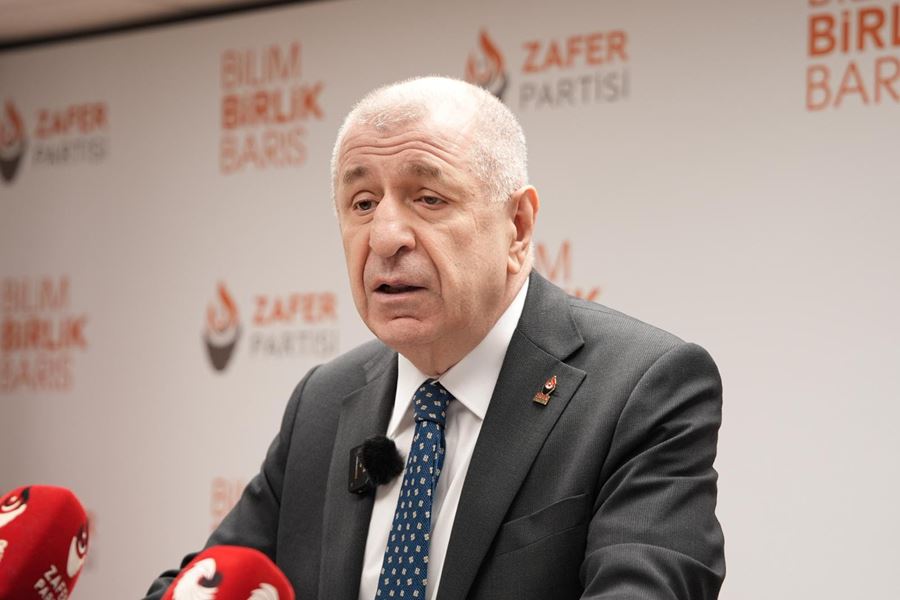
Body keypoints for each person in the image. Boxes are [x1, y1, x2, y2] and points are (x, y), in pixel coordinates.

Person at [145, 76, 725, 600]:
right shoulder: (325, 401)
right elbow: (207, 582)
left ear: (518, 227)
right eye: (362, 203)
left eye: (428, 198)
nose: (385, 237)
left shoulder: (639, 389)